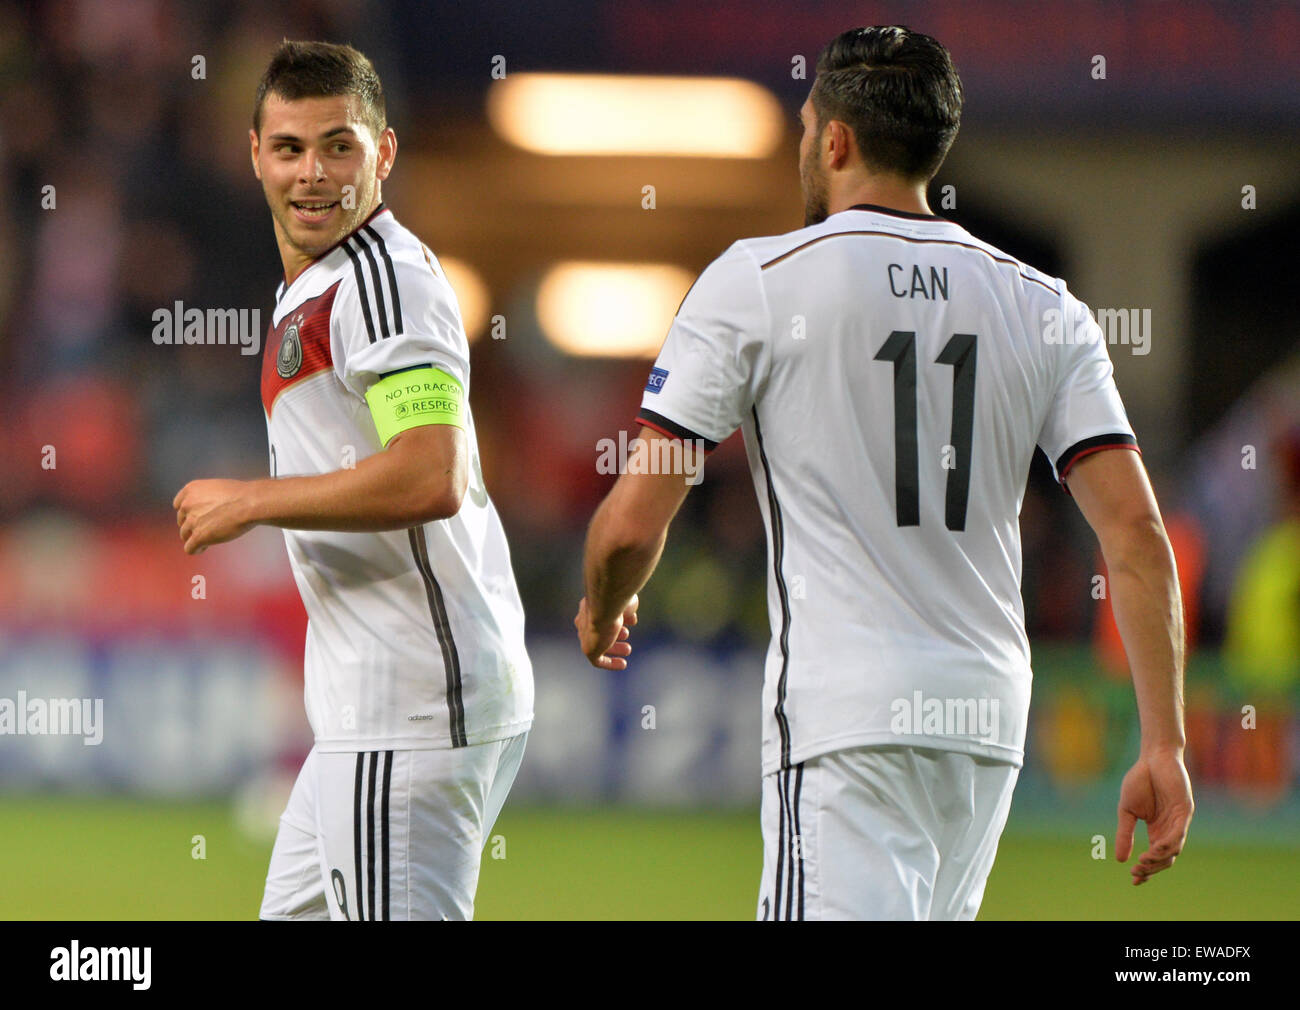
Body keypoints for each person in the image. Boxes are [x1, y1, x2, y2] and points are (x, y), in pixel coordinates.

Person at [576, 25, 1192, 920]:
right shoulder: (1045, 306)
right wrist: (1165, 743)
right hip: (984, 726)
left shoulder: (756, 282)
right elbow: (1135, 535)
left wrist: (603, 599)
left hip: (845, 723)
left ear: (833, 138)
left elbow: (636, 518)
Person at [173, 40, 532, 920]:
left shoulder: (381, 280)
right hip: (369, 715)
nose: (313, 174)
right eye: (290, 148)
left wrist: (254, 502)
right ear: (255, 152)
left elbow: (431, 473)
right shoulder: (320, 285)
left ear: (385, 153)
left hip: (403, 707)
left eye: (340, 145)